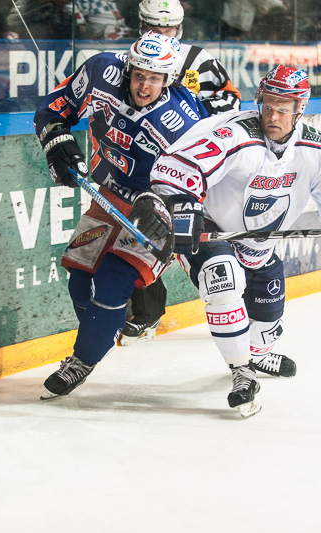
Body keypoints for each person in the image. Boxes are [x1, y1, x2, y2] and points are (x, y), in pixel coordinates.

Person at [149, 65, 321, 418]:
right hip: (213, 229)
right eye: (268, 104)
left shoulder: (316, 149)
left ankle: (257, 356)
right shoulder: (234, 134)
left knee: (267, 319)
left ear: (300, 109)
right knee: (223, 283)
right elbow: (177, 169)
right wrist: (183, 205)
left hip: (259, 245)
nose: (274, 115)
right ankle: (242, 373)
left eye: (284, 108)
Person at [34, 32, 210, 400]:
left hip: (155, 210)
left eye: (155, 78)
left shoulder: (186, 120)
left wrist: (177, 213)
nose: (145, 86)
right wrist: (56, 140)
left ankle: (81, 361)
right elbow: (54, 108)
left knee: (113, 282)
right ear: (128, 68)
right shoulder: (101, 71)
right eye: (139, 74)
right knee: (80, 280)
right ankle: (102, 332)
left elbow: (207, 178)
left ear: (170, 79)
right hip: (108, 193)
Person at [120, 0, 242, 346]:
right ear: (141, 25)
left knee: (196, 241)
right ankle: (147, 315)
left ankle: (231, 300)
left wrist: (195, 119)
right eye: (154, 28)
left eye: (169, 29)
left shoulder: (199, 61)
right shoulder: (132, 59)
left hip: (191, 170)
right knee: (141, 238)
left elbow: (231, 102)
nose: (161, 34)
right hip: (143, 165)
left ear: (181, 29)